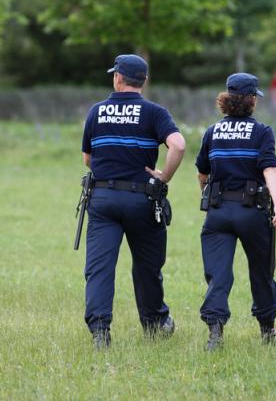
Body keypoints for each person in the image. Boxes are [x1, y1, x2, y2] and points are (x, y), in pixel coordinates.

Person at [81, 54, 186, 349]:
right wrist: (163, 177)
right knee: (147, 266)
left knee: (100, 267)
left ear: (117, 77)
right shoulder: (154, 112)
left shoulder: (96, 112)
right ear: (144, 81)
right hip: (142, 198)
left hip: (103, 199)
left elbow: (89, 159)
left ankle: (100, 331)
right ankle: (154, 323)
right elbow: (178, 145)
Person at [195, 73, 276, 350]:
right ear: (250, 101)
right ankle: (267, 332)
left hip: (218, 213)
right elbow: (269, 168)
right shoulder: (261, 132)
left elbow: (202, 173)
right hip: (253, 213)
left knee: (218, 274)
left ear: (226, 99)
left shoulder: (212, 132)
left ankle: (215, 334)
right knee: (261, 273)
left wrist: (209, 198)